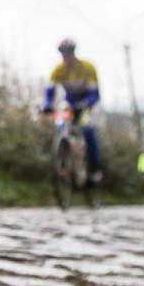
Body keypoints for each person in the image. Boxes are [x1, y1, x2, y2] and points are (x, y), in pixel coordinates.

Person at [43, 39, 103, 184]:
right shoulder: (58, 69)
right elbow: (49, 91)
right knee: (61, 124)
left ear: (74, 53)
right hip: (70, 101)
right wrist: (47, 105)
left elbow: (95, 93)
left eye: (69, 54)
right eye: (64, 55)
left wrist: (84, 104)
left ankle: (94, 168)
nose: (67, 58)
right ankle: (64, 157)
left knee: (88, 130)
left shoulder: (87, 67)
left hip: (88, 102)